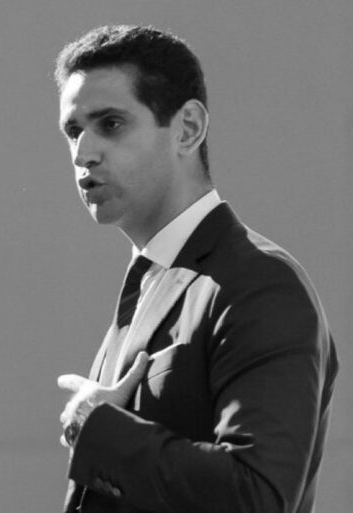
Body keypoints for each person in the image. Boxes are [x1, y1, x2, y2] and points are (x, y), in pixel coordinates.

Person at [54, 25, 338, 513]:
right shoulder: (154, 282)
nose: (84, 153)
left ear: (188, 128)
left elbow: (257, 496)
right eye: (74, 130)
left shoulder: (258, 282)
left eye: (111, 124)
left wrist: (98, 428)